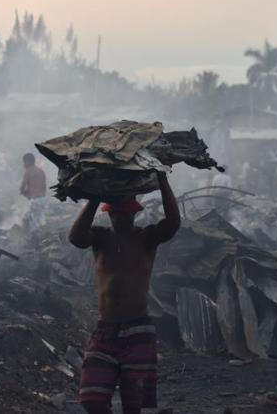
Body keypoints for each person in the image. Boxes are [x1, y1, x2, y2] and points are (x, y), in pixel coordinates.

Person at [69, 171, 180, 414]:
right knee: (92, 400)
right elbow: (76, 238)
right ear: (109, 213)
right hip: (105, 330)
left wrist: (163, 180)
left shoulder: (146, 238)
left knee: (134, 403)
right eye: (114, 213)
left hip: (138, 329)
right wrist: (95, 198)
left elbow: (173, 223)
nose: (118, 217)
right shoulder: (100, 238)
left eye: (123, 213)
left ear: (134, 212)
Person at [19, 153, 47, 230]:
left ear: (27, 162)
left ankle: (33, 239)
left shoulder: (28, 172)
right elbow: (44, 187)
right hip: (43, 199)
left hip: (34, 201)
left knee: (31, 223)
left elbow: (21, 188)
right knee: (40, 220)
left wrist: (25, 194)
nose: (23, 164)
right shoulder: (41, 171)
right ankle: (43, 237)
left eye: (24, 162)